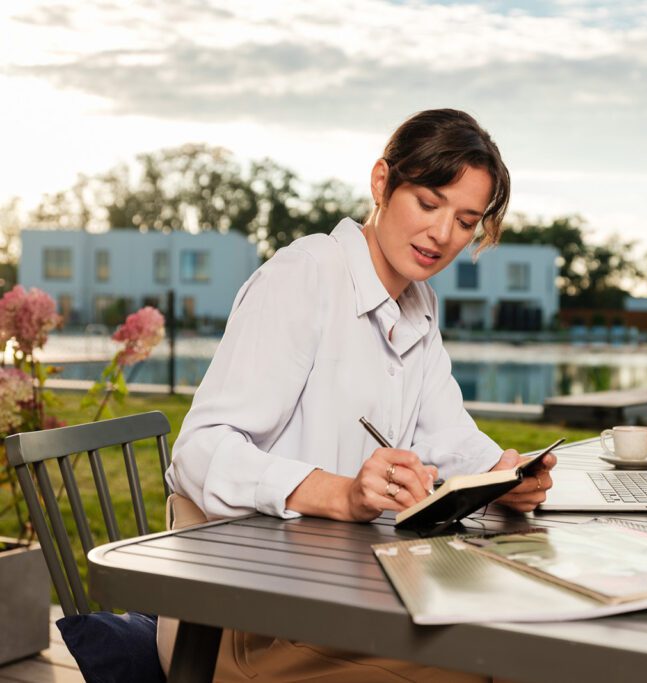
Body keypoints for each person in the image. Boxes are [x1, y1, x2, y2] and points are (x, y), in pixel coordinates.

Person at [159, 109, 557, 682]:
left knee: (524, 640)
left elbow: (445, 432)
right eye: (428, 203)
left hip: (344, 595)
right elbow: (199, 450)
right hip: (236, 616)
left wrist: (504, 476)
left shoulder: (418, 302)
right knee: (495, 665)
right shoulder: (304, 276)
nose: (443, 235)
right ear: (381, 183)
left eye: (466, 220)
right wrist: (341, 494)